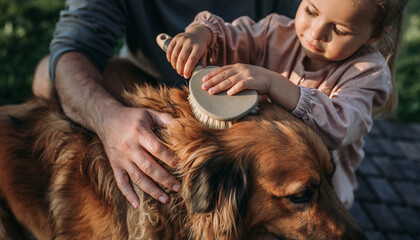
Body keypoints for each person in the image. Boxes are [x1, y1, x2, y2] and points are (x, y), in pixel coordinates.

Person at [31, 0, 301, 208]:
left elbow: (318, 38)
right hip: (149, 76)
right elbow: (73, 49)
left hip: (252, 85)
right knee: (48, 76)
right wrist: (109, 119)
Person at [166, 0, 408, 207]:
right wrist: (201, 34)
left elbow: (339, 126)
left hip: (317, 196)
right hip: (267, 181)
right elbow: (230, 36)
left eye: (340, 30)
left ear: (374, 35)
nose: (316, 33)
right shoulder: (275, 31)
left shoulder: (366, 74)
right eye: (311, 11)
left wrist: (273, 83)